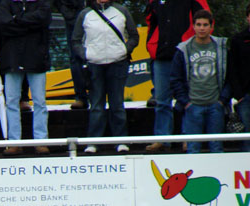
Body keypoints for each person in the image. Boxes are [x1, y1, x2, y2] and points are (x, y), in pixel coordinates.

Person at [72, 0, 138, 154]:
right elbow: (75, 40)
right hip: (94, 65)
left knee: (117, 104)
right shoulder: (85, 14)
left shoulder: (122, 11)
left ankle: (121, 141)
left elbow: (134, 36)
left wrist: (124, 50)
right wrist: (86, 55)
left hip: (118, 63)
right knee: (96, 105)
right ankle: (93, 142)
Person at [144, 0, 210, 153]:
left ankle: (188, 138)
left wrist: (197, 45)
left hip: (187, 54)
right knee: (161, 100)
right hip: (162, 54)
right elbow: (150, 22)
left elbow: (206, 19)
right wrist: (152, 45)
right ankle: (162, 138)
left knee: (188, 98)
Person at [170, 9, 229, 154]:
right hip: (193, 105)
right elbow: (175, 78)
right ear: (193, 26)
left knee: (217, 148)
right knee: (193, 149)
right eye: (198, 24)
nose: (202, 28)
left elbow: (230, 75)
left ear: (211, 26)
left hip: (215, 105)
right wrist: (186, 102)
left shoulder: (221, 47)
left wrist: (222, 100)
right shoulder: (183, 49)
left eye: (205, 25)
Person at [0, 0, 51, 156]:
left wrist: (17, 19)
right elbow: (3, 25)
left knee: (39, 101)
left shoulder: (42, 3)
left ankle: (41, 141)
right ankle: (14, 142)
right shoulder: (6, 3)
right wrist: (30, 23)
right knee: (11, 101)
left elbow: (44, 19)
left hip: (37, 57)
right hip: (12, 58)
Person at [54, 0, 88, 110]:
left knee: (97, 57)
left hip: (97, 16)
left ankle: (98, 96)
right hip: (73, 19)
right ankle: (81, 97)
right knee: (75, 58)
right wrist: (67, 13)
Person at [229, 2, 250, 152]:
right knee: (247, 136)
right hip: (246, 96)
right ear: (247, 17)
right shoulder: (238, 40)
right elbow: (232, 69)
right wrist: (239, 95)